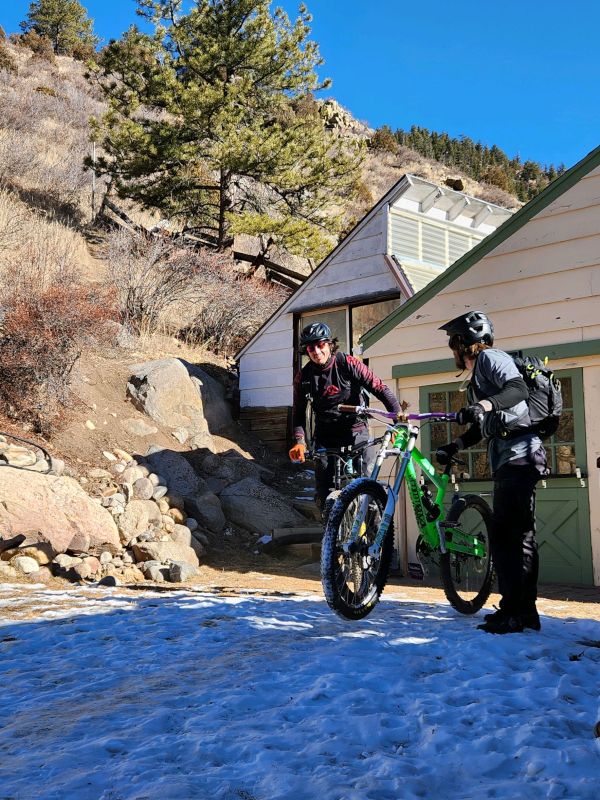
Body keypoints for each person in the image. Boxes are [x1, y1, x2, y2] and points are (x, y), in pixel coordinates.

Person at [437, 311, 548, 634]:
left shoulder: (491, 359)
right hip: (511, 457)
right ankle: (524, 611)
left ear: (464, 343)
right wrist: (456, 445)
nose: (452, 352)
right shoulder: (477, 382)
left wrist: (483, 406)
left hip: (520, 455)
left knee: (507, 536)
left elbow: (517, 390)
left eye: (452, 345)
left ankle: (515, 611)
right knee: (518, 535)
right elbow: (482, 427)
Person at [289, 321, 401, 512]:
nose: (316, 351)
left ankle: (373, 530)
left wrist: (398, 421)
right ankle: (332, 536)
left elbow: (380, 388)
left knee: (367, 484)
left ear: (329, 344)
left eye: (320, 344)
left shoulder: (346, 363)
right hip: (325, 434)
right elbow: (298, 413)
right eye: (310, 347)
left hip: (356, 429)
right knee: (324, 492)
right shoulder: (304, 377)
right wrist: (299, 441)